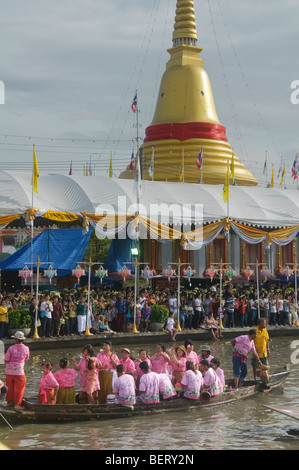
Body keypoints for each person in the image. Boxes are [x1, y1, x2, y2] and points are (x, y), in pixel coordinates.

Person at [4, 330, 30, 409]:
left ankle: (9, 402)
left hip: (9, 371)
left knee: (9, 387)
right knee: (19, 388)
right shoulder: (26, 348)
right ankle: (17, 404)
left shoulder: (11, 348)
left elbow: (6, 359)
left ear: (16, 339)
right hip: (19, 371)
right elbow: (26, 358)